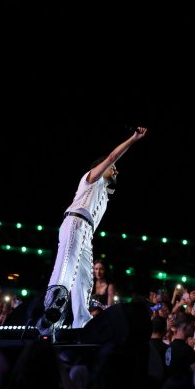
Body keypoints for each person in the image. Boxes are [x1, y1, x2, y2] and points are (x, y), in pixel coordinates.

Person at [45, 127, 147, 328]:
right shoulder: (91, 179)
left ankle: (82, 322)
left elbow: (112, 176)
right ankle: (53, 305)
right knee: (67, 263)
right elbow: (112, 157)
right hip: (76, 222)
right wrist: (133, 139)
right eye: (112, 168)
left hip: (86, 232)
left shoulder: (104, 195)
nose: (115, 170)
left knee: (84, 278)